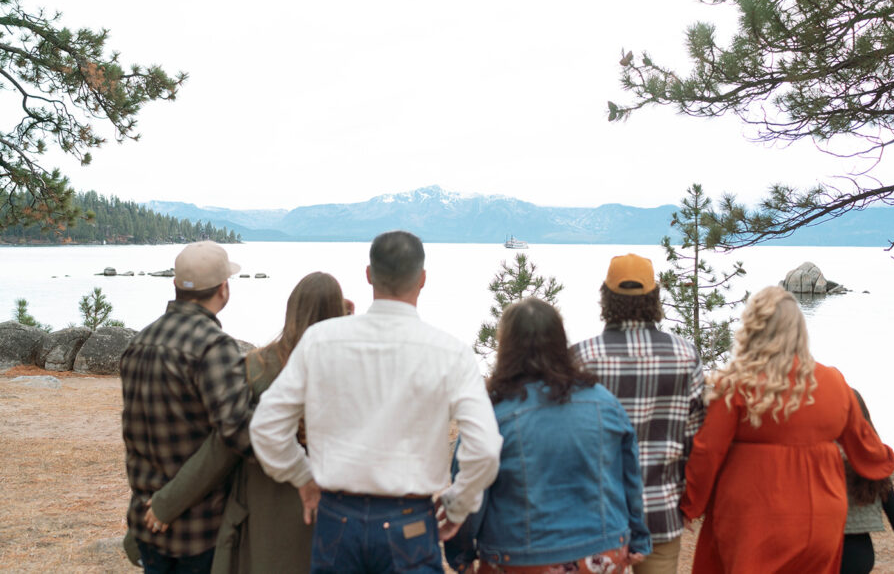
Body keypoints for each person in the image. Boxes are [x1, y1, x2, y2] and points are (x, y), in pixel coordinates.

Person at [249, 230, 502, 573]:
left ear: (369, 274)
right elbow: (485, 448)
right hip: (410, 524)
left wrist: (303, 478)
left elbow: (266, 427)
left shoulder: (321, 341)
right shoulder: (449, 352)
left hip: (336, 518)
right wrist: (457, 506)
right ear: (423, 279)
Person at [135, 272, 352, 573]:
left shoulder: (257, 367)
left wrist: (165, 506)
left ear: (290, 311)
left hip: (264, 514)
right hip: (332, 509)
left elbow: (219, 451)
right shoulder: (351, 372)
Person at [680, 286, 894, 573]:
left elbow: (708, 452)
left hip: (753, 516)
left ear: (752, 327)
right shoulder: (833, 381)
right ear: (799, 331)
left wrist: (689, 506)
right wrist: (885, 461)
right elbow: (868, 450)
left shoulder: (735, 384)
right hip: (822, 518)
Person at [445, 297, 652, 573]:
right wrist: (638, 536)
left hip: (519, 558)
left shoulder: (491, 413)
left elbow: (469, 488)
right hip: (602, 555)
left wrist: (462, 555)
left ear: (506, 346)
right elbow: (629, 478)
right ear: (560, 342)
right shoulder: (605, 402)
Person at [121, 241, 251, 573]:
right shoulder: (214, 347)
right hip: (200, 530)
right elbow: (238, 433)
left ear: (176, 286)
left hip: (147, 520)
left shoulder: (139, 342)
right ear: (224, 289)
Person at [570, 253, 704, 574]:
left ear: (606, 297)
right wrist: (689, 504)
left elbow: (568, 442)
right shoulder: (686, 356)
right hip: (663, 509)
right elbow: (698, 440)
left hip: (596, 516)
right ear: (655, 297)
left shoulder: (580, 358)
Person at [841, 390, 894, 573]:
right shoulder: (873, 457)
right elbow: (893, 508)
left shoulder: (817, 453)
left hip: (822, 547)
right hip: (859, 552)